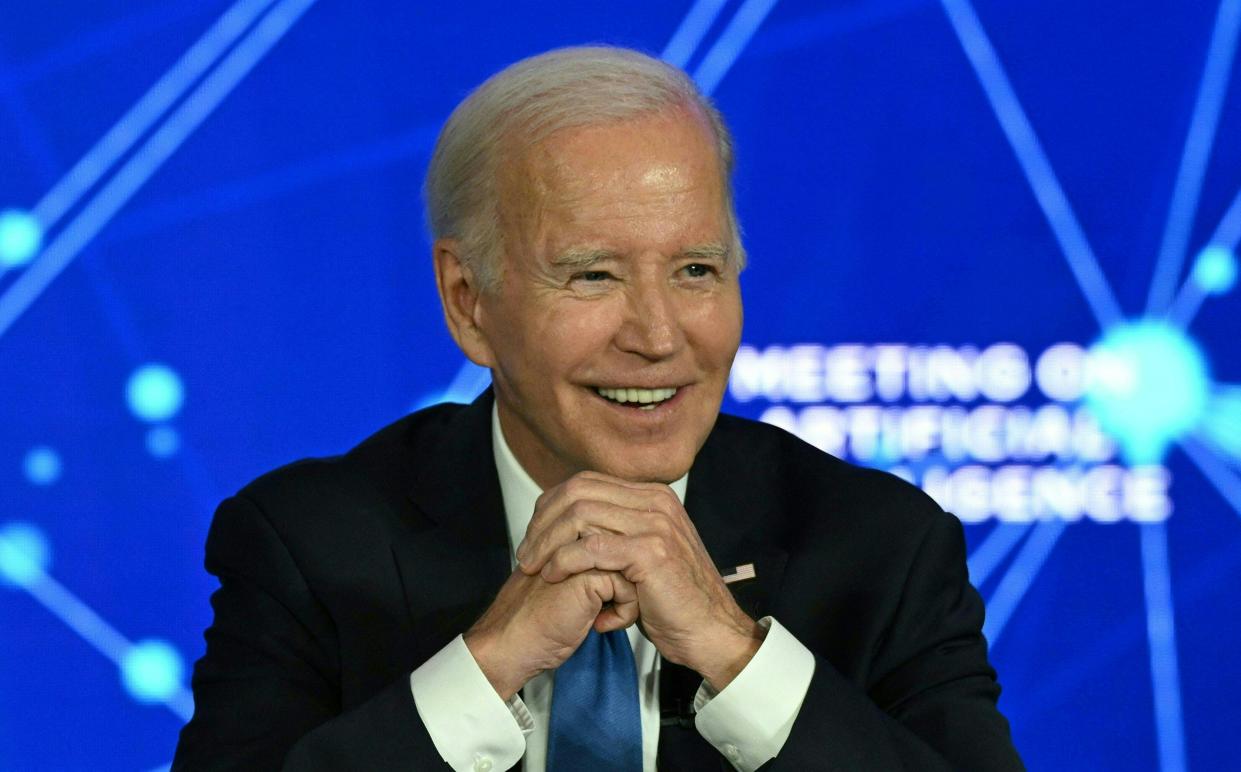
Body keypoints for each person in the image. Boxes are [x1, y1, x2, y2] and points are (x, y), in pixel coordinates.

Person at [173, 46, 1023, 771]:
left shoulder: (880, 545)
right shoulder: (307, 544)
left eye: (696, 270)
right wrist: (488, 663)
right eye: (593, 275)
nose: (657, 336)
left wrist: (736, 654)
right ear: (468, 301)